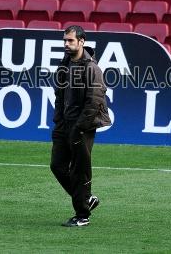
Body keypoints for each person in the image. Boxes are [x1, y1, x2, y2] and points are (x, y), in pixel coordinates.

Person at [50, 25, 112, 227]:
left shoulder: (92, 68)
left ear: (82, 41)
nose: (66, 44)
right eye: (65, 40)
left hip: (82, 127)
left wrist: (79, 126)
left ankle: (82, 215)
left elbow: (94, 100)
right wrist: (58, 120)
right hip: (64, 125)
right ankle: (86, 199)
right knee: (57, 166)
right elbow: (59, 94)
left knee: (79, 170)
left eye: (70, 40)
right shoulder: (65, 64)